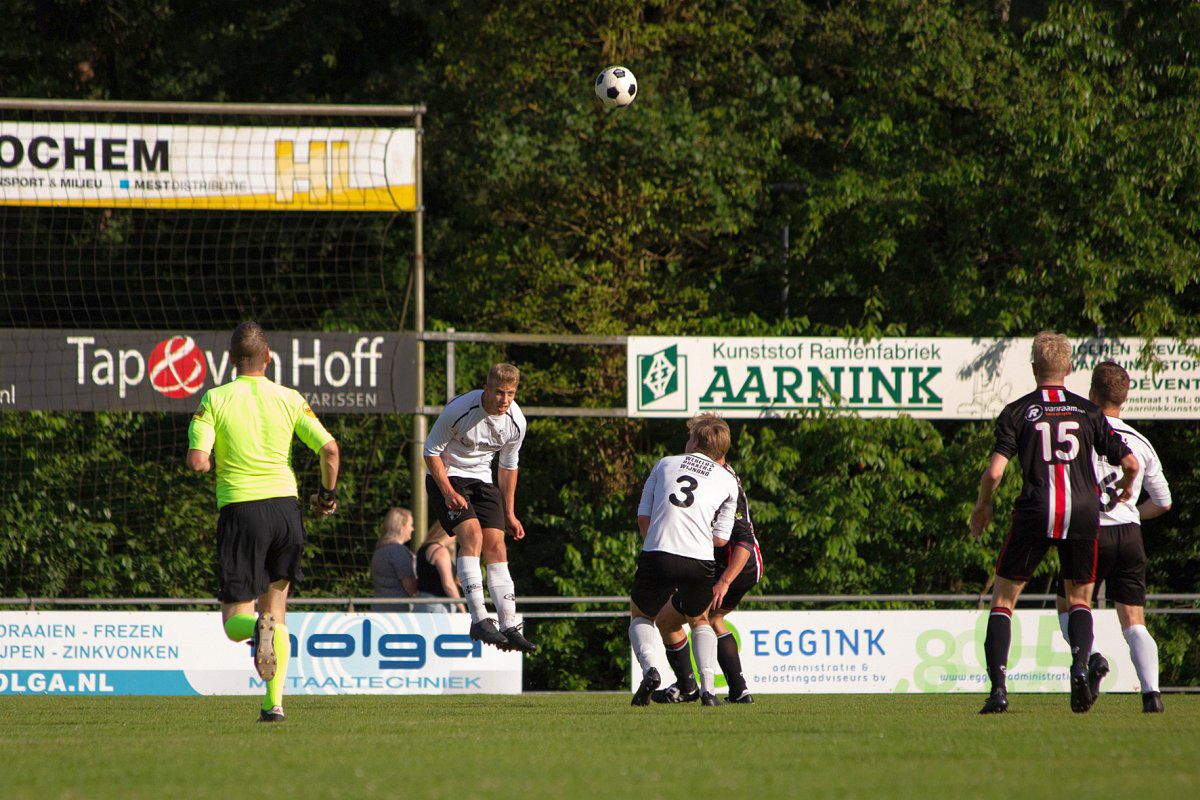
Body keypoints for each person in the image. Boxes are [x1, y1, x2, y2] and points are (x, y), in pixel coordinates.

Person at [970, 331, 1138, 715]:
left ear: (1034, 368)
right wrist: (1127, 487)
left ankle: (998, 690)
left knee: (1004, 600)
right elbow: (1130, 463)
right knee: (1079, 599)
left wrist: (983, 505)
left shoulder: (1017, 412)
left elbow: (994, 472)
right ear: (1070, 367)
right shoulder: (1089, 412)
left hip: (1035, 509)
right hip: (1082, 512)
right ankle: (1079, 667)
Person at [186, 321, 339, 723]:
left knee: (237, 620)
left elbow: (198, 461)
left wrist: (205, 462)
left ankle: (256, 632)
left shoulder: (215, 399)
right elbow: (329, 449)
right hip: (286, 512)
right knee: (276, 611)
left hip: (242, 511)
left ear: (230, 359)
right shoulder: (289, 398)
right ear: (268, 358)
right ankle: (274, 705)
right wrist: (327, 496)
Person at [1051, 362, 1172, 713]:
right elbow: (1164, 502)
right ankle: (1152, 694)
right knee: (1134, 621)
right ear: (1125, 398)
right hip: (1129, 534)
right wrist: (1131, 512)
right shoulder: (1141, 442)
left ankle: (1092, 658)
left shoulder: (1079, 435)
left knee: (1071, 604)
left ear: (1091, 394)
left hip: (1089, 533)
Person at [629, 414, 740, 707]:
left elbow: (643, 517)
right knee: (700, 620)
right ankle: (708, 690)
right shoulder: (729, 481)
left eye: (690, 437)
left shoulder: (665, 464)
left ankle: (650, 670)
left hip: (658, 552)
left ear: (696, 442)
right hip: (699, 559)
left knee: (641, 615)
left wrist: (655, 544)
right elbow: (721, 539)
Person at [423, 363, 535, 652]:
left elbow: (508, 467)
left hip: (482, 480)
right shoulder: (459, 410)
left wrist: (509, 513)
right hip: (447, 476)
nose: (504, 400)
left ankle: (508, 625)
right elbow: (430, 452)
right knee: (472, 535)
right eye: (499, 393)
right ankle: (479, 618)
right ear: (486, 389)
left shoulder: (516, 421)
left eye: (510, 393)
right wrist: (448, 492)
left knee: (497, 546)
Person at [652, 457, 762, 704]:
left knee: (668, 620)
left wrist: (724, 581)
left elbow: (743, 539)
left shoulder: (722, 479)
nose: (687, 447)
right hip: (741, 567)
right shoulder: (713, 472)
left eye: (691, 440)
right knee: (713, 619)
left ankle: (690, 687)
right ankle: (739, 691)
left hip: (733, 566)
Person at [371, 508, 418, 612]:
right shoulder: (398, 551)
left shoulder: (380, 550)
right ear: (402, 527)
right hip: (398, 612)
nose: (412, 529)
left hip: (379, 607)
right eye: (411, 525)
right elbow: (410, 586)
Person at [414, 522, 467, 614]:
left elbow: (428, 577)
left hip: (421, 601)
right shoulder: (441, 551)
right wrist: (462, 608)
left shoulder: (423, 549)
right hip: (437, 604)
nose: (455, 538)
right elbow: (448, 585)